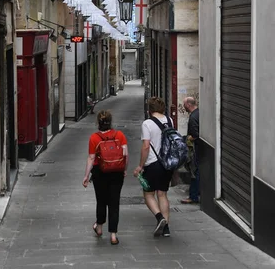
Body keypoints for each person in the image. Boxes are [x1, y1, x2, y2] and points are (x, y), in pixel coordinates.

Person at [82, 110, 128, 245]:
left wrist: (86, 176)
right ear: (110, 121)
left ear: (98, 122)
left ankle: (99, 227)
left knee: (101, 200)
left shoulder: (94, 138)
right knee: (114, 203)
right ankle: (113, 235)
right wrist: (124, 169)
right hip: (117, 173)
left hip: (99, 173)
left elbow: (91, 158)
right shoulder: (119, 135)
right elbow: (126, 154)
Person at [133, 97, 174, 237]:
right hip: (167, 163)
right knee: (162, 194)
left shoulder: (147, 124)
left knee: (148, 194)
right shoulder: (170, 120)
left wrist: (140, 165)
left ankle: (159, 218)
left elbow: (146, 146)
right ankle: (166, 228)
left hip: (153, 163)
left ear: (149, 110)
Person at [181, 97, 200, 204]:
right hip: (199, 149)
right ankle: (195, 194)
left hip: (195, 149)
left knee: (194, 172)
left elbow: (195, 135)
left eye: (184, 104)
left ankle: (193, 196)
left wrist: (188, 138)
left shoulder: (193, 117)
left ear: (188, 104)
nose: (183, 107)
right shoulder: (199, 113)